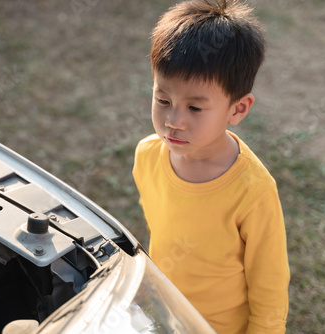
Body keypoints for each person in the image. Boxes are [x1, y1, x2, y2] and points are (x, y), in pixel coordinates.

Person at [132, 1, 290, 333]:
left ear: (238, 109)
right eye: (163, 101)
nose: (174, 121)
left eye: (195, 107)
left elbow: (270, 289)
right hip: (167, 317)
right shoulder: (147, 156)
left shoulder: (253, 191)